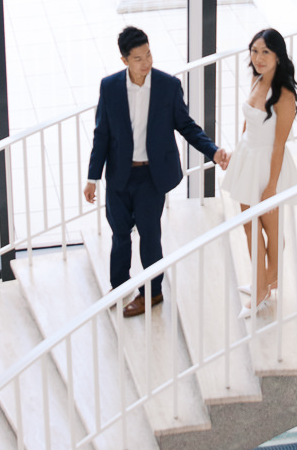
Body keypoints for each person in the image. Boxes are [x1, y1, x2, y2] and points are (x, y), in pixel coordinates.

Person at [84, 26, 230, 317]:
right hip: (119, 176)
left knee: (150, 235)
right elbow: (101, 134)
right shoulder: (110, 87)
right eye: (138, 58)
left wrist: (212, 151)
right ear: (125, 60)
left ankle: (153, 292)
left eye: (148, 54)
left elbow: (186, 126)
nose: (146, 63)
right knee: (120, 235)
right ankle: (119, 285)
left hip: (151, 177)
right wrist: (92, 177)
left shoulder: (167, 86)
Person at [219, 27, 297, 309]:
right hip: (248, 159)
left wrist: (271, 187)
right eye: (255, 51)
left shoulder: (284, 95)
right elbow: (250, 121)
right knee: (249, 226)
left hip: (267, 166)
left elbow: (278, 145)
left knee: (271, 228)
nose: (258, 57)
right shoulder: (257, 78)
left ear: (278, 55)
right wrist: (237, 151)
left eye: (265, 51)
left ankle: (267, 285)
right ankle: (262, 283)